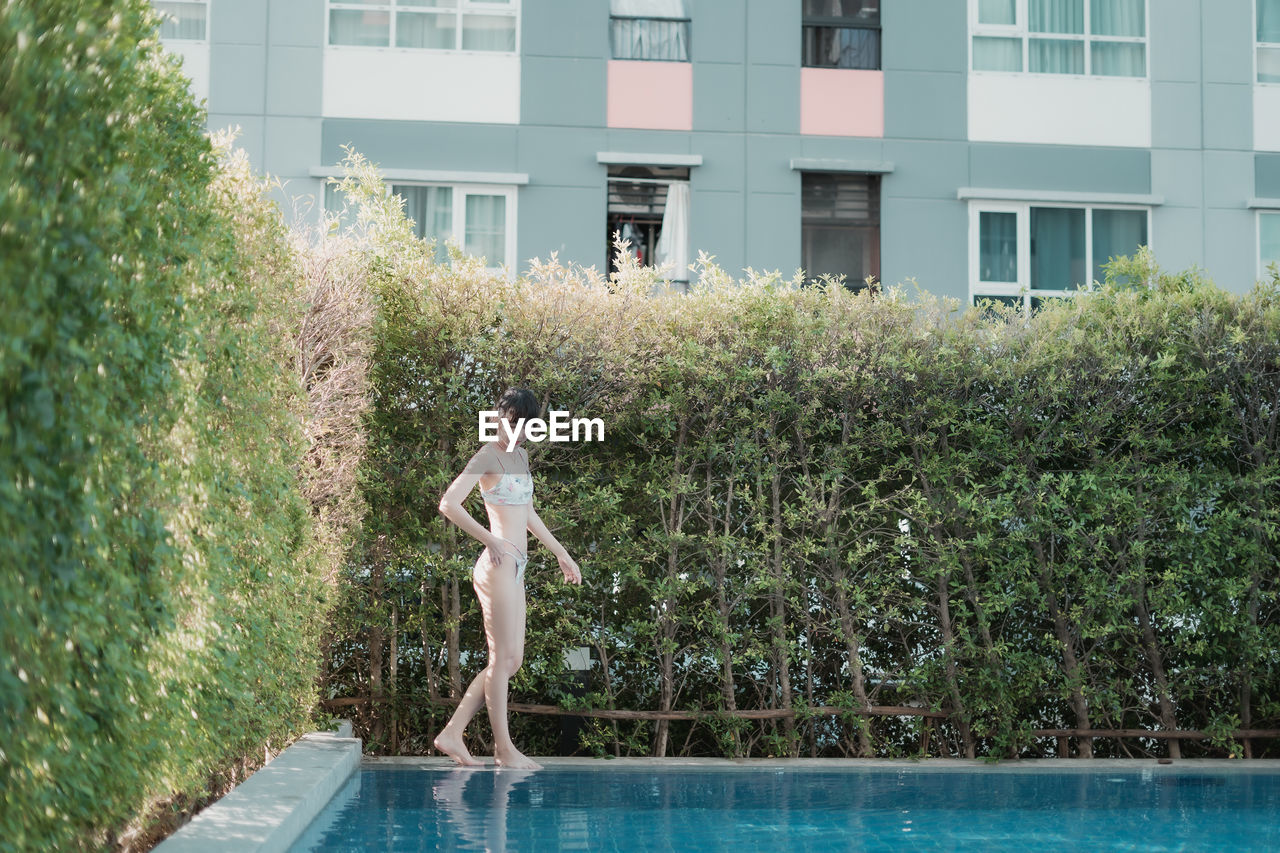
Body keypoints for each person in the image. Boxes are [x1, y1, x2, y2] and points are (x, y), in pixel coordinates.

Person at [432, 387, 583, 770]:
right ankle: (503, 749)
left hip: (517, 568)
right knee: (501, 659)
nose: (513, 431)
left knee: (512, 660)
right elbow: (449, 503)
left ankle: (453, 732)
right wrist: (490, 537)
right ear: (500, 416)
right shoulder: (487, 455)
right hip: (496, 567)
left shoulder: (520, 455)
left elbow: (527, 511)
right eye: (509, 422)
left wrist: (561, 552)